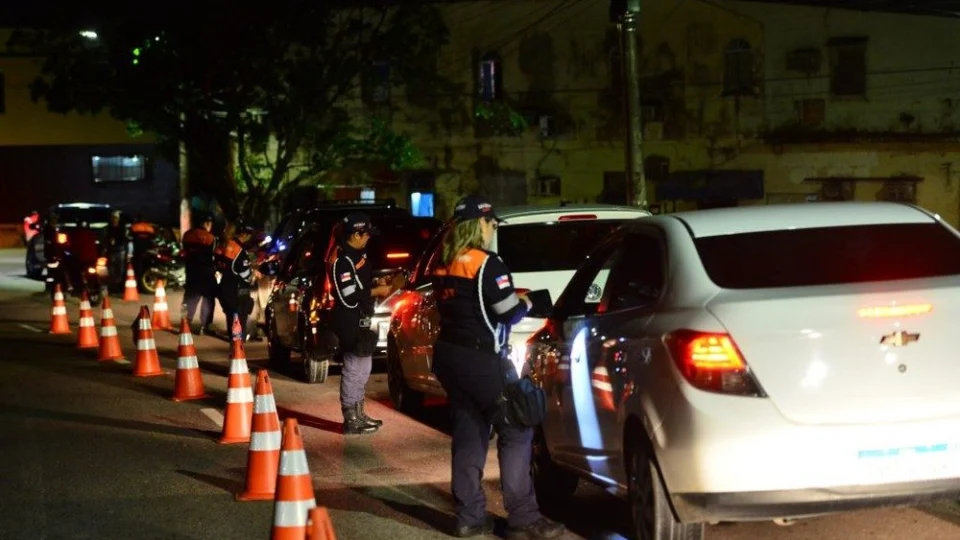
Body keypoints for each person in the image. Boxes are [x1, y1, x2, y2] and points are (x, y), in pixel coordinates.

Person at [430, 194, 564, 539]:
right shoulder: (488, 263)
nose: (493, 230)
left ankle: (469, 517)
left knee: (469, 433)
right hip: (482, 360)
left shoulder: (442, 262)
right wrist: (530, 300)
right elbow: (507, 311)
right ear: (481, 224)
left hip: (449, 358)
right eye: (492, 224)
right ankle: (524, 518)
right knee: (518, 428)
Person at [328, 212, 391, 435]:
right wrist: (377, 290)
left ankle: (359, 412)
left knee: (364, 368)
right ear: (355, 234)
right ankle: (350, 417)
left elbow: (360, 285)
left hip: (361, 319)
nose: (368, 238)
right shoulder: (342, 261)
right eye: (365, 234)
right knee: (354, 368)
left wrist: (376, 283)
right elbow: (348, 295)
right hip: (349, 321)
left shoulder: (357, 258)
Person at [216, 220, 256, 339]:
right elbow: (240, 270)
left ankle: (233, 339)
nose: (249, 239)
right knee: (239, 317)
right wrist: (251, 276)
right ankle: (238, 343)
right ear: (244, 235)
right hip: (237, 289)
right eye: (249, 236)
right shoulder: (238, 249)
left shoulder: (225, 245)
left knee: (231, 316)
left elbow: (220, 263)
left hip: (225, 286)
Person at [181, 214, 218, 334]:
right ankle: (205, 326)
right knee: (208, 299)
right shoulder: (210, 238)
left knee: (189, 299)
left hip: (191, 272)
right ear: (206, 223)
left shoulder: (187, 235)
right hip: (206, 273)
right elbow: (213, 256)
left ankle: (185, 324)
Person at [105, 211, 129, 292]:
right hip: (111, 251)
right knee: (111, 269)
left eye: (116, 218)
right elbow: (106, 238)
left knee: (120, 269)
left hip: (120, 250)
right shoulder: (109, 227)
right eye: (113, 218)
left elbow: (124, 238)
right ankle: (112, 285)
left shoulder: (122, 227)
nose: (114, 220)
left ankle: (118, 285)